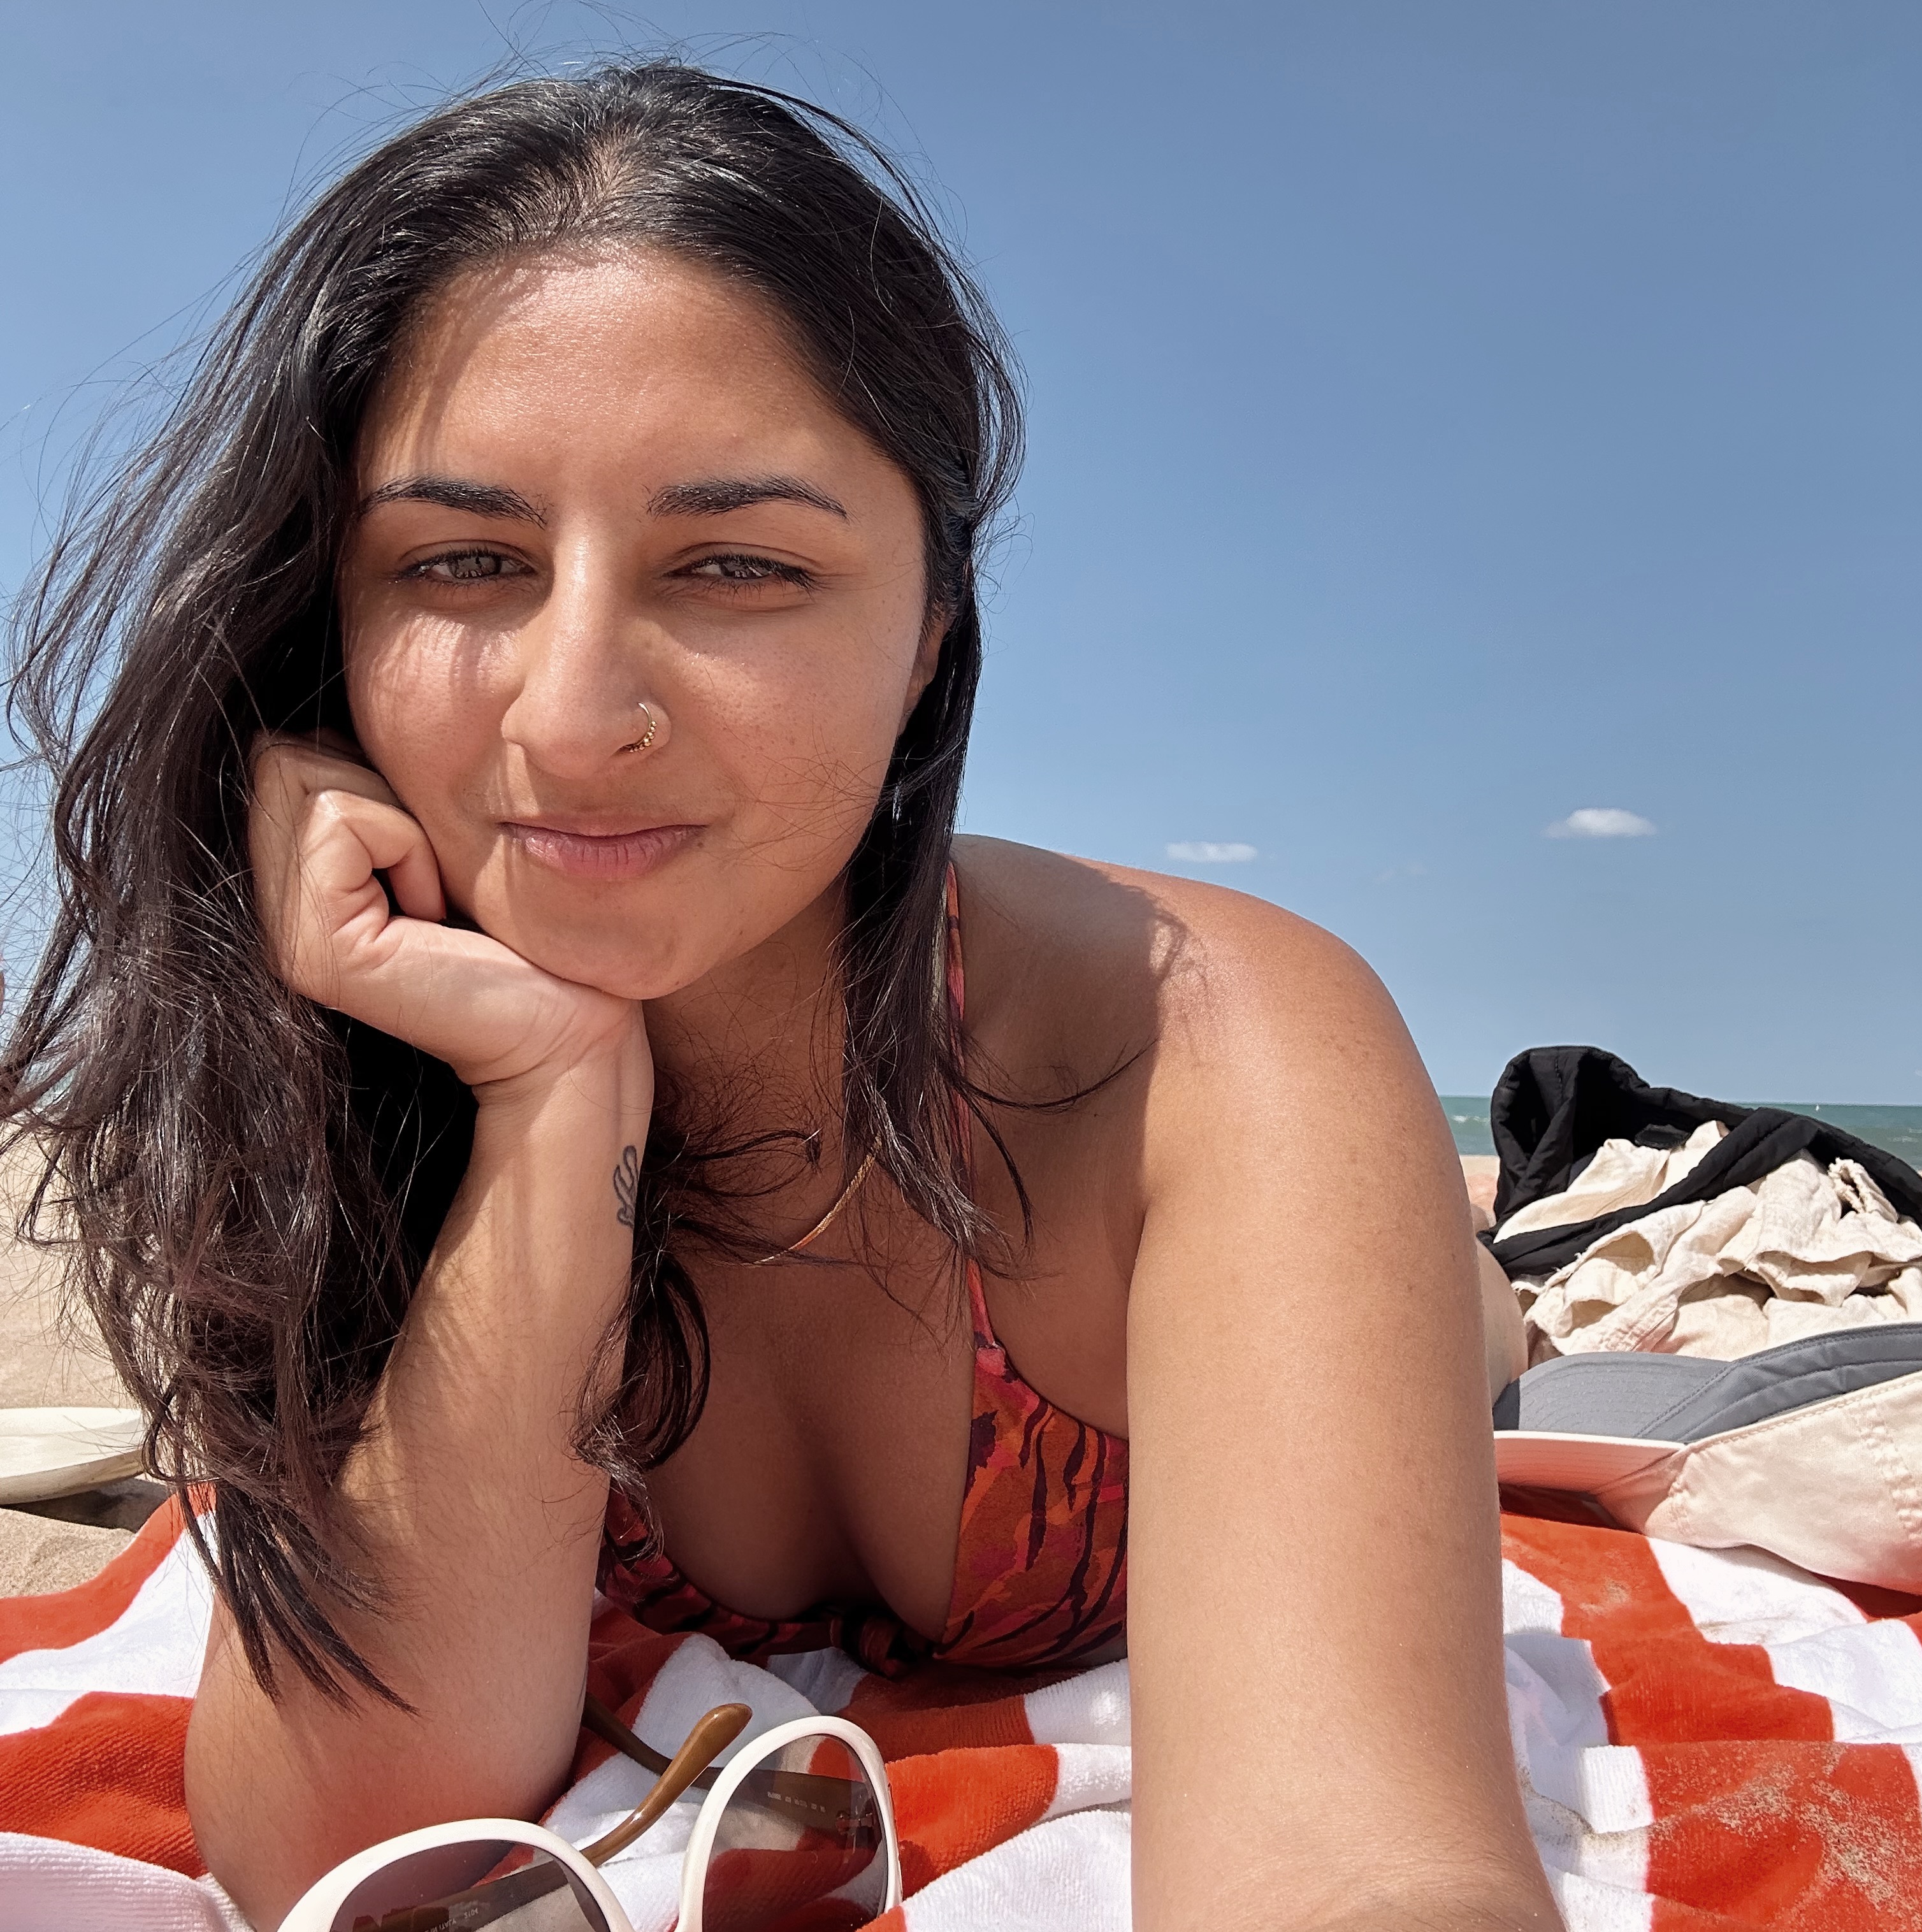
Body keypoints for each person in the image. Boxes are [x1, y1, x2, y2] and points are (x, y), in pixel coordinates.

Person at [4, 62, 1550, 1931]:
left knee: (1467, 1331)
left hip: (1370, 1289)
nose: (573, 718)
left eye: (736, 564)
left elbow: (1367, 1872)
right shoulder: (339, 1067)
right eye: (464, 560)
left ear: (933, 636)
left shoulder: (1205, 1056)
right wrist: (558, 1105)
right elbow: (334, 1843)